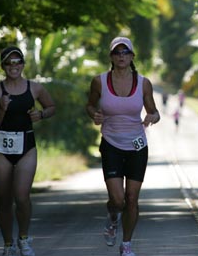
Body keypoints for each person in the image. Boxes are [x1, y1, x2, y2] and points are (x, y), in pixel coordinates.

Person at [86, 36, 160, 256]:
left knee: (131, 199)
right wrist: (95, 114)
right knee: (117, 200)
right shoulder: (99, 81)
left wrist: (151, 118)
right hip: (111, 143)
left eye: (125, 52)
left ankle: (126, 244)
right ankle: (112, 216)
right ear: (111, 57)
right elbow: (89, 105)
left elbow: (154, 111)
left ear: (132, 56)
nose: (121, 56)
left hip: (137, 145)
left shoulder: (144, 83)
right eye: (117, 53)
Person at [0, 46, 56, 256]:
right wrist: (2, 109)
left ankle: (24, 238)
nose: (13, 66)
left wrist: (41, 115)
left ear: (23, 65)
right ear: (3, 66)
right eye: (9, 63)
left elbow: (52, 107)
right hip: (1, 149)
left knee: (22, 197)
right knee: (4, 199)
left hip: (26, 146)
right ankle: (8, 244)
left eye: (17, 62)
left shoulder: (35, 88)